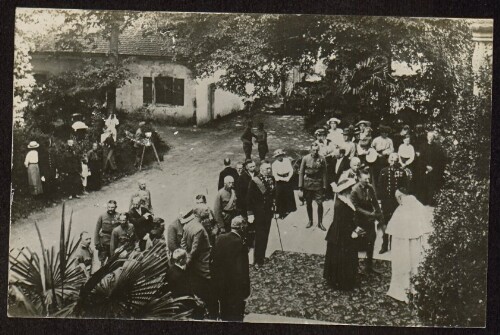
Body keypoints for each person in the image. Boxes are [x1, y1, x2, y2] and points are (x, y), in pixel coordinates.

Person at [386, 188, 432, 303]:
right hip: (415, 243)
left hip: (402, 244)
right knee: (414, 263)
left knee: (402, 263)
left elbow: (394, 230)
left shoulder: (401, 210)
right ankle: (414, 289)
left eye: (397, 198)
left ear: (401, 197)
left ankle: (402, 291)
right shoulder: (419, 205)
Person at [210, 216, 251, 321]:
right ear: (241, 227)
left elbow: (213, 260)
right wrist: (246, 288)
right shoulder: (240, 243)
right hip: (235, 286)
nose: (246, 227)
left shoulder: (220, 238)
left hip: (220, 283)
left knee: (224, 310)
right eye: (245, 224)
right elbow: (242, 269)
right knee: (235, 314)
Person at [324, 178, 359, 290]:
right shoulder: (341, 205)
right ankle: (343, 281)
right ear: (346, 191)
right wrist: (354, 231)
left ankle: (340, 279)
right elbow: (343, 222)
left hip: (342, 231)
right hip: (341, 234)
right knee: (342, 256)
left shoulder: (344, 201)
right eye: (350, 188)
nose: (352, 190)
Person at [181, 210, 214, 316]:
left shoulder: (187, 225)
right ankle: (208, 308)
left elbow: (183, 242)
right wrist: (189, 259)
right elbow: (195, 248)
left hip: (194, 259)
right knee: (207, 282)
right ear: (202, 215)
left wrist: (185, 255)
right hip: (202, 259)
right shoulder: (199, 229)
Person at [350, 169, 383, 274]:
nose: (368, 180)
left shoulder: (370, 187)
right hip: (359, 220)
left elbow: (375, 201)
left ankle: (369, 266)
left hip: (370, 220)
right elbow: (355, 207)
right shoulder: (354, 190)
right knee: (357, 243)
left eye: (368, 178)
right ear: (359, 179)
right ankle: (354, 267)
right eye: (365, 179)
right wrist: (369, 214)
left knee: (371, 241)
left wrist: (379, 214)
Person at [377, 153, 409, 254]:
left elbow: (405, 187)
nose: (393, 162)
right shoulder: (383, 171)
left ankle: (396, 246)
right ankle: (385, 245)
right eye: (391, 160)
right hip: (386, 201)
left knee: (397, 223)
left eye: (395, 160)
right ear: (388, 160)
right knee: (385, 223)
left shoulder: (401, 172)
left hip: (396, 202)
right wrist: (381, 200)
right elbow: (380, 187)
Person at [247, 162, 276, 268]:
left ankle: (262, 257)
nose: (269, 170)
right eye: (267, 169)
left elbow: (273, 194)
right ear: (262, 170)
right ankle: (257, 260)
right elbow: (249, 199)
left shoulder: (271, 178)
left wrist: (274, 205)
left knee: (266, 235)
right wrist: (250, 214)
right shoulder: (255, 181)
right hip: (258, 213)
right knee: (259, 237)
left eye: (270, 168)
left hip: (268, 212)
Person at [299, 143, 328, 231]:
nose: (315, 152)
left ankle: (320, 223)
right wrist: (300, 186)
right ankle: (310, 221)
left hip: (318, 183)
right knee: (308, 203)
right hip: (308, 184)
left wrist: (324, 185)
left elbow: (324, 172)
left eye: (317, 150)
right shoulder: (305, 158)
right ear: (310, 150)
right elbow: (301, 172)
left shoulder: (322, 158)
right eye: (313, 150)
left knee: (320, 203)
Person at [416, 131, 445, 206]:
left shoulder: (437, 147)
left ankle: (431, 201)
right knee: (424, 184)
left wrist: (433, 167)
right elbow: (420, 159)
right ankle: (423, 201)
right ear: (427, 137)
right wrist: (426, 166)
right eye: (429, 137)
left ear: (433, 138)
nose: (430, 138)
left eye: (432, 137)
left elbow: (439, 160)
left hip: (434, 170)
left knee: (432, 186)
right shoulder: (422, 146)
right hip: (424, 169)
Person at [271, 149, 297, 219]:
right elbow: (275, 175)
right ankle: (281, 212)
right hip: (280, 181)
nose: (280, 157)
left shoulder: (287, 160)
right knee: (280, 195)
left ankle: (290, 209)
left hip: (288, 178)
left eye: (281, 155)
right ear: (276, 157)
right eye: (278, 156)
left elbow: (291, 170)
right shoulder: (274, 164)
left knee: (289, 193)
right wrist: (283, 179)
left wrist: (288, 177)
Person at [94, 200, 120, 266]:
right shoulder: (102, 216)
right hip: (104, 242)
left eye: (112, 207)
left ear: (116, 207)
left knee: (113, 261)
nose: (110, 209)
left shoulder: (118, 216)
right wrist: (97, 243)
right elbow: (97, 230)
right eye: (109, 207)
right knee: (103, 262)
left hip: (114, 242)